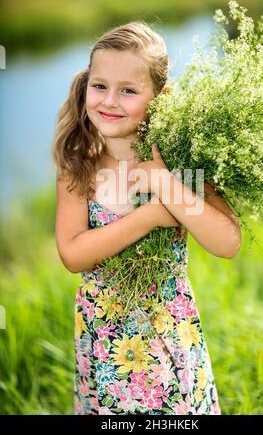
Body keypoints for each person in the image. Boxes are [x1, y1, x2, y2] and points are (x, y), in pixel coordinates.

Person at [52, 21, 241, 415]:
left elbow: (227, 243)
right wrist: (151, 217)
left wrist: (164, 183)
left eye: (129, 90)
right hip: (106, 337)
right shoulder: (78, 169)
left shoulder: (182, 162)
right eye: (100, 86)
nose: (110, 101)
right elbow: (73, 254)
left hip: (168, 334)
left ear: (160, 96)